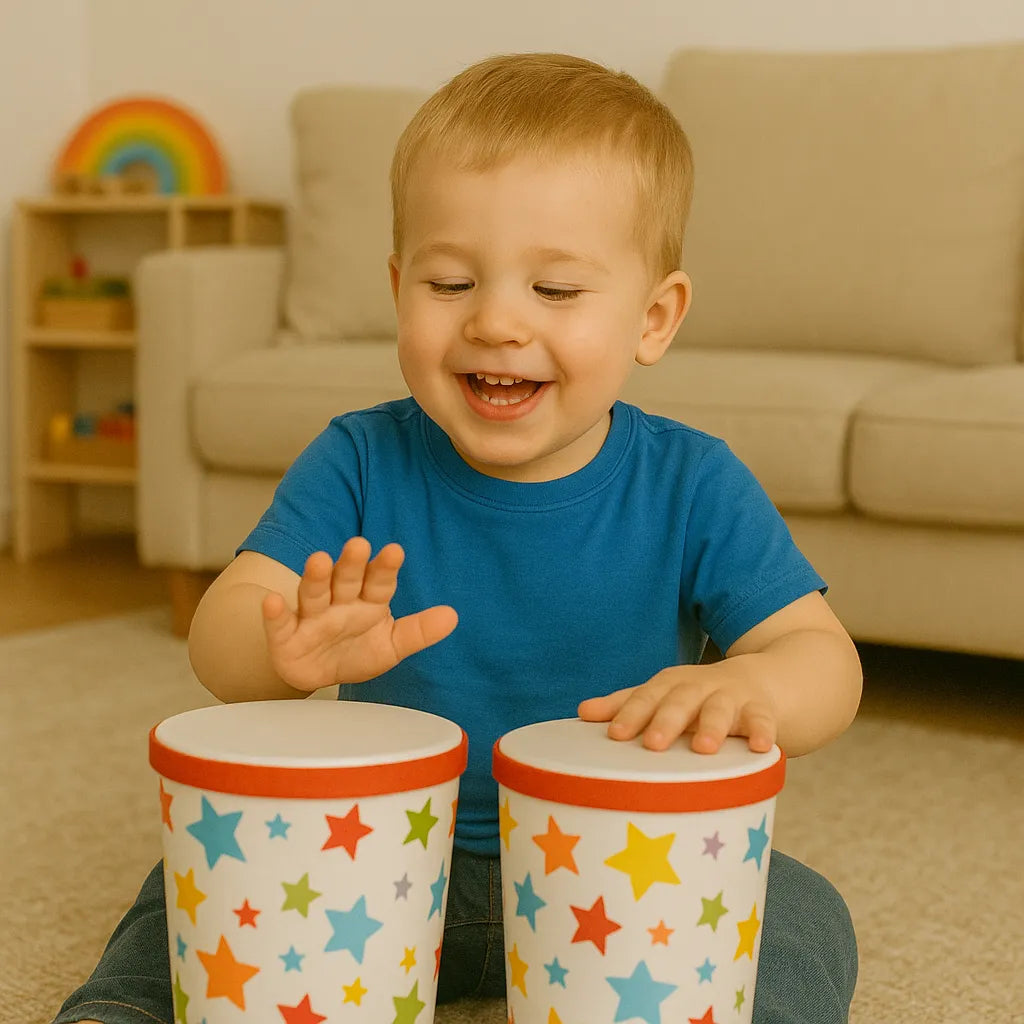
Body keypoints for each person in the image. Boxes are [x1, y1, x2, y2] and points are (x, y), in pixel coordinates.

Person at [55, 52, 861, 1024]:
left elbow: (826, 661)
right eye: (449, 282)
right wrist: (282, 649)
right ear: (399, 287)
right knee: (194, 876)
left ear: (653, 319)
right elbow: (222, 637)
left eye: (554, 290)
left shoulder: (693, 482)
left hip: (617, 867)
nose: (496, 321)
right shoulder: (358, 458)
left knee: (801, 913)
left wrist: (753, 683)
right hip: (377, 857)